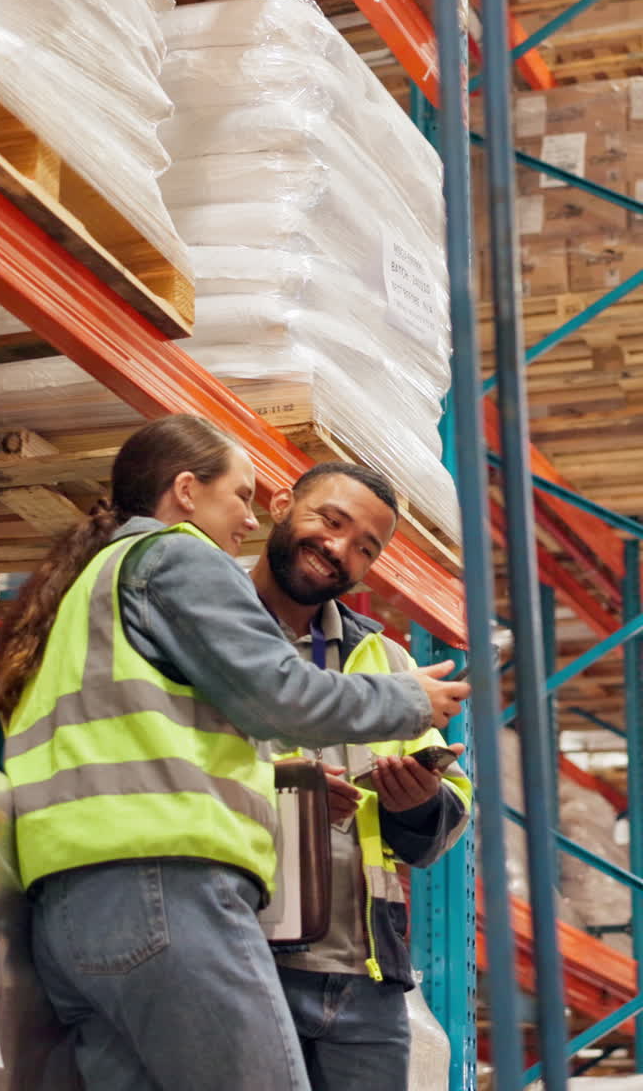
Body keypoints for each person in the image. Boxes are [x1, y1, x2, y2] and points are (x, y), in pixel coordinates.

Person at [0, 415, 470, 1091]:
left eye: (366, 548)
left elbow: (136, 738)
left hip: (71, 906)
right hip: (168, 892)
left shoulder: (83, 587)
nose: (242, 519)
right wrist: (409, 699)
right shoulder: (181, 560)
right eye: (242, 497)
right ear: (187, 491)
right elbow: (277, 695)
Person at [251, 461, 473, 1091]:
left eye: (365, 548)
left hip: (366, 979)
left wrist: (417, 802)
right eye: (331, 520)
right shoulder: (217, 633)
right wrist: (284, 790)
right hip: (247, 956)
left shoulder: (384, 659)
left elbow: (449, 819)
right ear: (281, 504)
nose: (339, 550)